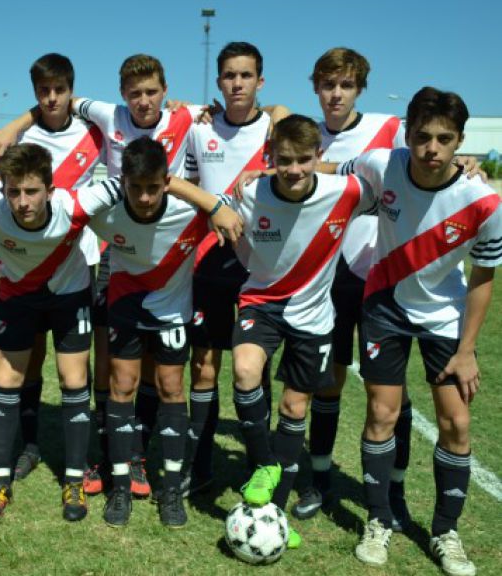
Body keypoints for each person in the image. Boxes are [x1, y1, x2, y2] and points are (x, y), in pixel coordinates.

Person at [0, 53, 206, 497]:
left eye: (151, 92)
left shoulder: (187, 116)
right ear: (121, 94)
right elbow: (56, 102)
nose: (143, 101)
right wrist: (12, 127)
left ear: (165, 91)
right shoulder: (108, 113)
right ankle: (106, 454)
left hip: (165, 245)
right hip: (114, 248)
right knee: (111, 362)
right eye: (134, 93)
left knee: (156, 366)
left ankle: (139, 457)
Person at [330, 88, 500, 576]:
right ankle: (380, 520)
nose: (432, 148)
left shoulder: (483, 201)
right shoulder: (381, 164)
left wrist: (467, 351)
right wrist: (277, 171)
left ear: (460, 142)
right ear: (407, 134)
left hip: (445, 317)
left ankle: (446, 531)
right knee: (382, 414)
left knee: (458, 425)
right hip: (384, 306)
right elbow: (332, 176)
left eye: (444, 139)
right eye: (423, 136)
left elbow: (483, 280)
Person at [223, 114, 376, 550]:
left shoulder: (345, 191)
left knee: (294, 406)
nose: (293, 170)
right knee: (245, 370)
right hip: (262, 303)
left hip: (314, 316)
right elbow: (205, 202)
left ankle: (275, 511)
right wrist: (220, 208)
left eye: (303, 161)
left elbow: (398, 186)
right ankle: (266, 465)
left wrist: (467, 170)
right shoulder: (249, 192)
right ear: (269, 157)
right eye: (284, 160)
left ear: (319, 157)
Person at [87, 137, 243, 528]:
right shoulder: (103, 213)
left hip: (173, 313)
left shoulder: (188, 212)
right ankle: (120, 486)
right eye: (135, 187)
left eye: (153, 187)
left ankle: (171, 488)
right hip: (125, 309)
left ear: (166, 182)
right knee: (122, 387)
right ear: (123, 182)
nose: (144, 197)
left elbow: (227, 212)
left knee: (172, 389)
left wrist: (212, 204)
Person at [291, 48, 411, 524]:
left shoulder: (389, 128)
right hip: (326, 279)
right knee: (328, 381)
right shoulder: (304, 135)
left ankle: (394, 490)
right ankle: (319, 479)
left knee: (391, 391)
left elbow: (431, 167)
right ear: (315, 87)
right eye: (327, 84)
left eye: (345, 85)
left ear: (360, 87)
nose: (336, 93)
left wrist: (466, 167)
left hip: (381, 277)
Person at [0, 143, 110, 522]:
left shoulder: (76, 204)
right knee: (6, 378)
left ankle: (74, 480)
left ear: (50, 189)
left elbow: (140, 184)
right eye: (14, 191)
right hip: (17, 298)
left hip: (69, 295)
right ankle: (0, 481)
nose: (23, 201)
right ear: (3, 188)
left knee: (73, 378)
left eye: (32, 191)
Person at [182, 42, 289, 496]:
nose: (237, 83)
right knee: (204, 368)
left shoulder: (276, 129)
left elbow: (298, 169)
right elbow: (185, 187)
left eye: (246, 75)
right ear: (219, 82)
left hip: (258, 268)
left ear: (260, 81)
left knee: (254, 370)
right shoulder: (198, 130)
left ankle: (257, 467)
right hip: (208, 265)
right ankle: (199, 465)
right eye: (229, 75)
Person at [4, 53, 107, 485]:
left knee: (77, 367)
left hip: (78, 265)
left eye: (59, 90)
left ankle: (82, 454)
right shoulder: (19, 136)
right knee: (29, 362)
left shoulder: (95, 133)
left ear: (71, 90)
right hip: (25, 269)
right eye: (43, 91)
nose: (51, 98)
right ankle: (29, 446)